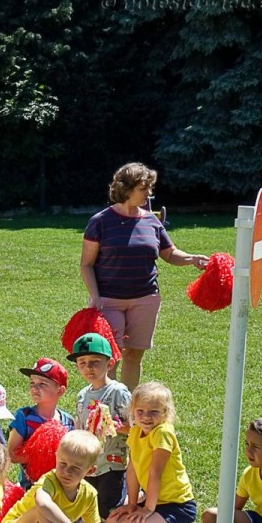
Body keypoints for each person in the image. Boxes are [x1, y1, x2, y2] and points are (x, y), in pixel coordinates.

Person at [80, 162, 210, 390]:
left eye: (149, 188)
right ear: (126, 188)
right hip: (109, 299)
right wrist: (96, 297)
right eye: (143, 188)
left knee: (134, 355)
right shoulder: (100, 222)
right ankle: (104, 408)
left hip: (146, 299)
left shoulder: (151, 221)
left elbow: (169, 253)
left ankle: (126, 407)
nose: (149, 193)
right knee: (109, 357)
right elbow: (87, 264)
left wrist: (191, 258)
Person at [105, 382, 197, 523]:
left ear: (165, 412)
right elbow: (132, 470)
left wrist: (147, 509)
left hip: (177, 505)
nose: (146, 417)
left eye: (154, 412)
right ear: (132, 411)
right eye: (140, 411)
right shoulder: (136, 431)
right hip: (153, 500)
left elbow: (155, 473)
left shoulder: (162, 433)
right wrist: (132, 505)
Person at [68, 333, 131, 518]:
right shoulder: (82, 395)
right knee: (89, 506)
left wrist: (113, 425)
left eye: (95, 362)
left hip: (112, 463)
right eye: (82, 363)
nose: (88, 367)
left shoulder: (118, 391)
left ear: (109, 363)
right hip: (89, 462)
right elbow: (79, 427)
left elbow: (135, 427)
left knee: (108, 508)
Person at [7, 358, 75, 487]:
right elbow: (12, 454)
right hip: (30, 488)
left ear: (60, 391)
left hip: (61, 487)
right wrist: (41, 455)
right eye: (32, 382)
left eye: (42, 384)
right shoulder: (24, 417)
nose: (34, 388)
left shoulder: (68, 421)